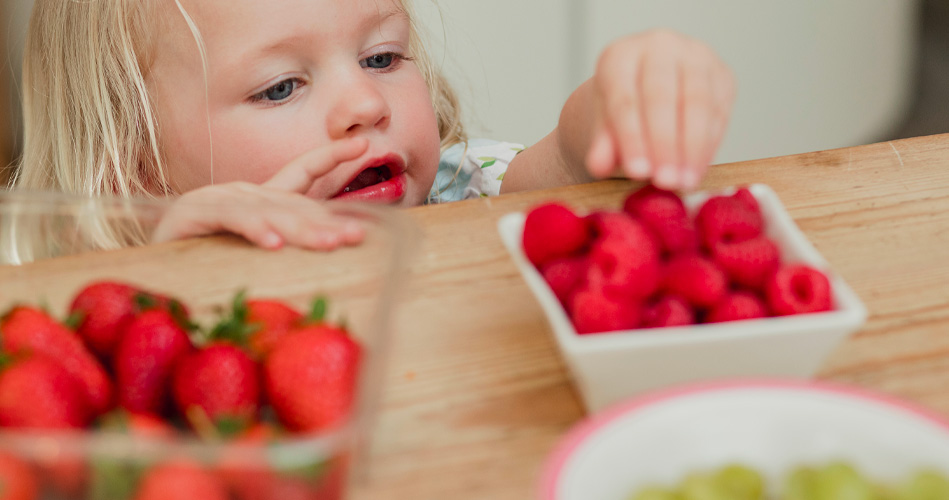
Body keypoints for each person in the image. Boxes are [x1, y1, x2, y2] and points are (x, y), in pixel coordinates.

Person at [4, 0, 734, 262]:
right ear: (138, 168)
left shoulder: (450, 188)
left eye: (381, 56)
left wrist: (617, 99)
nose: (363, 103)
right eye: (280, 87)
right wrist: (179, 273)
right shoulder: (72, 282)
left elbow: (566, 167)